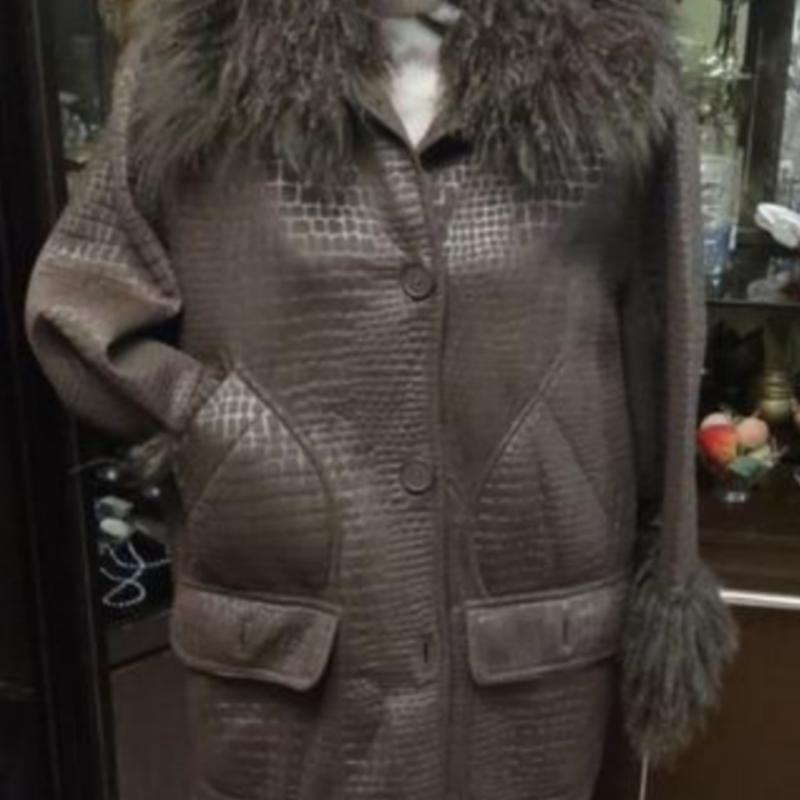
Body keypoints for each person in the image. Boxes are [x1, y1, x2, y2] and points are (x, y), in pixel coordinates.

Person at [24, 1, 739, 798]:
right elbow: (77, 309)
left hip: (534, 637)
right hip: (288, 640)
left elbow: (664, 331)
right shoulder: (197, 61)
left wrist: (668, 565)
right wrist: (210, 420)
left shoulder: (613, 70)